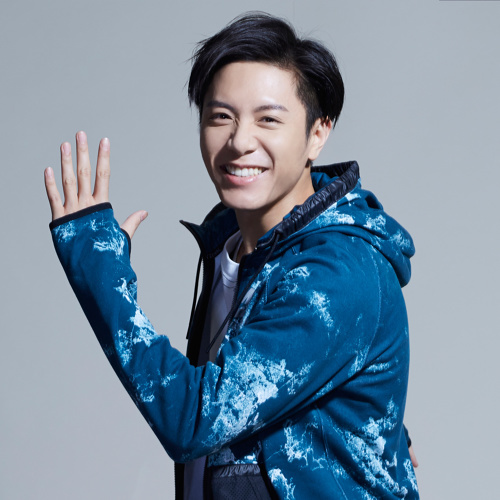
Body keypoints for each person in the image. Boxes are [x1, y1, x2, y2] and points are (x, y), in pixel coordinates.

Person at [44, 13, 419, 500]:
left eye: (268, 119)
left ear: (318, 132)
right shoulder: (237, 251)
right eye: (220, 116)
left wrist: (99, 270)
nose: (240, 141)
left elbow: (194, 421)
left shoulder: (337, 272)